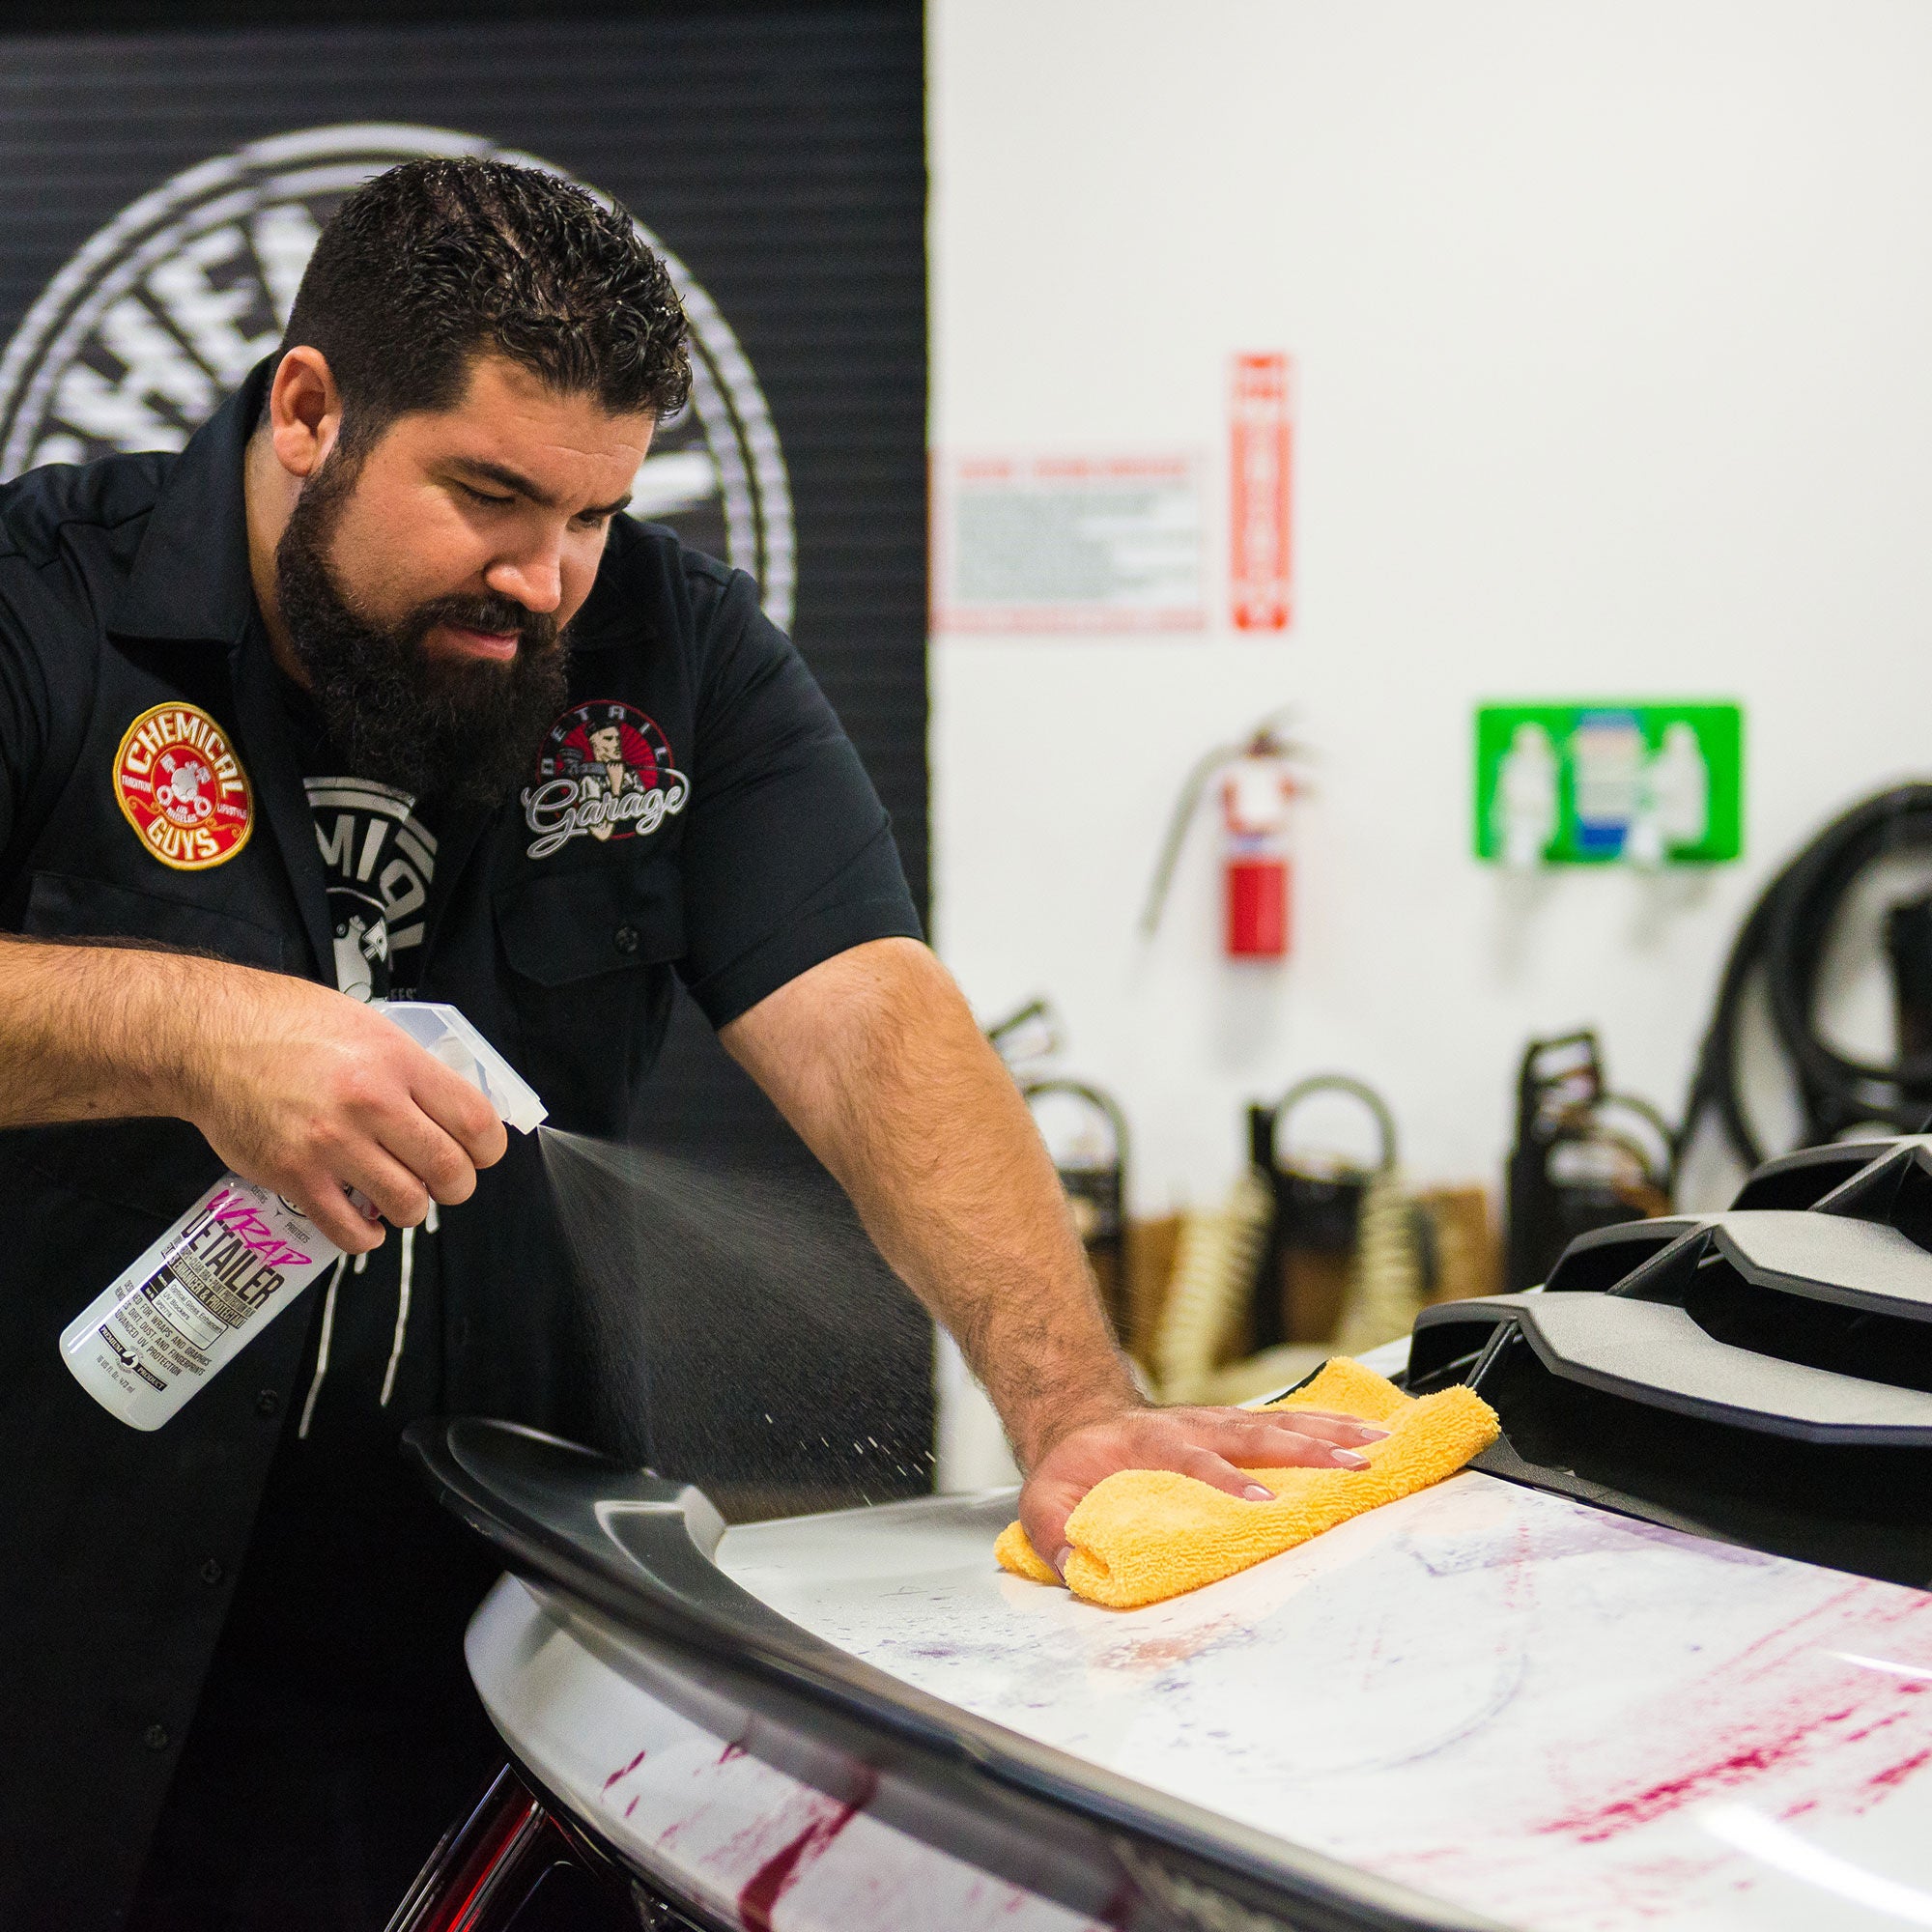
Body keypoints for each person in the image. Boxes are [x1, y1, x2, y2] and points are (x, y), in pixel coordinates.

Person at [0, 159, 1383, 1930]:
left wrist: (1075, 1405)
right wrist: (194, 1028)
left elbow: (874, 1017)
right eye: (490, 495)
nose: (543, 579)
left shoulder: (678, 654)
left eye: (594, 511)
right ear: (310, 410)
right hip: (54, 1596)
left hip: (483, 1635)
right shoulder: (46, 598)